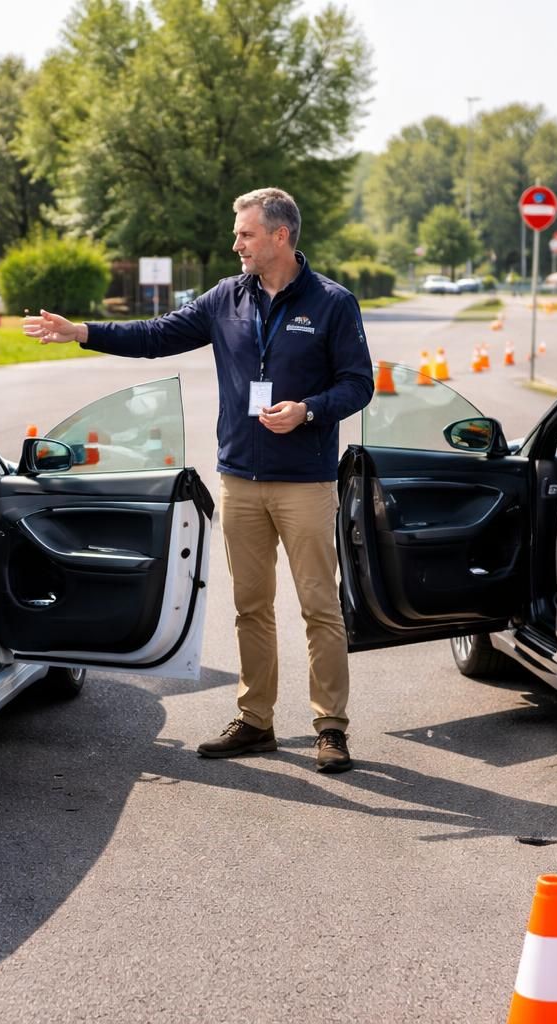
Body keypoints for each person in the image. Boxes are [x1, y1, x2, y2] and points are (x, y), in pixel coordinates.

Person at [22, 187, 374, 773]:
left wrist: (308, 409)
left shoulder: (334, 303)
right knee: (250, 607)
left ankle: (330, 727)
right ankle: (255, 720)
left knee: (319, 606)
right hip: (239, 479)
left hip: (305, 482)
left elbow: (358, 384)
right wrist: (83, 331)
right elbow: (156, 336)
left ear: (280, 236)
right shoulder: (225, 297)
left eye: (245, 234)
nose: (235, 243)